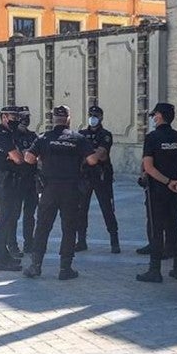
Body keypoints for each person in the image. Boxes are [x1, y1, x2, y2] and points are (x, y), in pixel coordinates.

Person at [22, 105, 103, 280]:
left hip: (49, 189)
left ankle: (35, 266)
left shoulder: (44, 138)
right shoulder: (78, 138)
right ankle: (65, 269)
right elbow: (93, 160)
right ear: (68, 119)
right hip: (71, 190)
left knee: (42, 227)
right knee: (69, 228)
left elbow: (28, 158)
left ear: (53, 119)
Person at [138, 102, 177, 283]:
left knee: (156, 229)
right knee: (174, 227)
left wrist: (168, 182)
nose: (153, 118)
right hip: (176, 191)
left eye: (155, 115)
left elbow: (148, 167)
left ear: (160, 116)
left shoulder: (152, 138)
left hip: (158, 191)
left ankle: (154, 270)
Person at [0, 106, 26, 271]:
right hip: (4, 181)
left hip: (9, 181)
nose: (16, 119)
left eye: (18, 116)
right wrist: (20, 154)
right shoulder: (1, 136)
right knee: (4, 220)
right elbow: (18, 158)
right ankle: (1, 259)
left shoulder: (8, 135)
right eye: (13, 116)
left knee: (10, 218)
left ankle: (5, 255)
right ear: (3, 117)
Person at [78, 105, 120, 253]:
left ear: (101, 117)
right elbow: (79, 153)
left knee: (107, 208)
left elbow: (101, 155)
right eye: (91, 115)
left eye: (96, 115)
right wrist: (92, 153)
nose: (93, 118)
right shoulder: (81, 133)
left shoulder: (105, 134)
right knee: (81, 209)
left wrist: (87, 154)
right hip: (85, 175)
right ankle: (81, 240)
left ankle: (114, 241)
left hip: (101, 175)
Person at [12, 106, 39, 258]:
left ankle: (29, 242)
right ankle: (13, 244)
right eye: (22, 117)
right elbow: (21, 156)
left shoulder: (32, 136)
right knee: (14, 214)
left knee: (30, 214)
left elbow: (37, 156)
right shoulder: (12, 136)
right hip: (16, 180)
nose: (25, 120)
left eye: (27, 117)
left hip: (31, 179)